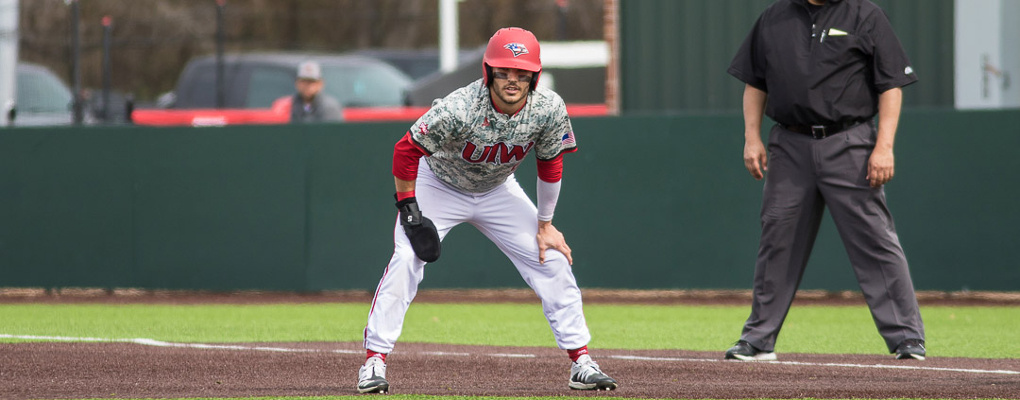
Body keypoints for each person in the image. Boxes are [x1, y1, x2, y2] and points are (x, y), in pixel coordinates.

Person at [356, 27, 618, 393]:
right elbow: (406, 149)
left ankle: (581, 361)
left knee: (552, 258)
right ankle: (373, 362)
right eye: (504, 71)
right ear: (489, 71)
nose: (513, 79)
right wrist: (409, 207)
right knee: (405, 260)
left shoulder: (548, 108)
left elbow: (550, 164)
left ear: (534, 75)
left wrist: (546, 223)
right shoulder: (460, 106)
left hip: (497, 190)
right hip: (439, 184)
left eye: (521, 71)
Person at [725, 0, 926, 361]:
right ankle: (758, 338)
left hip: (850, 142)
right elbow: (755, 82)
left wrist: (884, 146)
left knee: (874, 240)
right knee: (777, 239)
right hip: (790, 143)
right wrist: (751, 136)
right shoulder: (775, 16)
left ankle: (906, 338)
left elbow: (891, 85)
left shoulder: (865, 14)